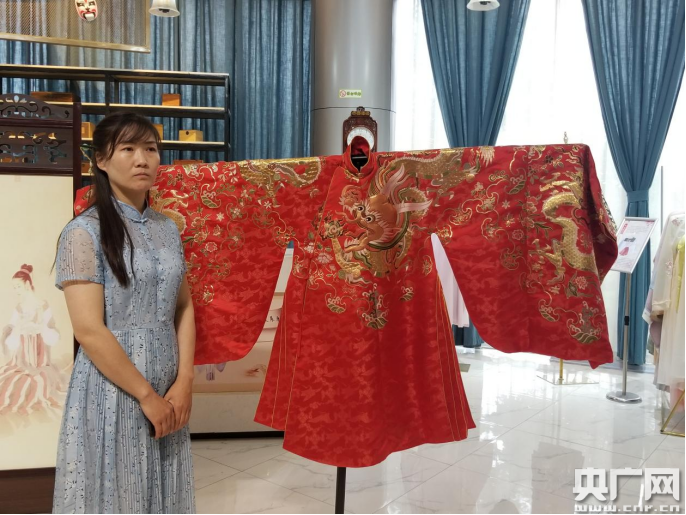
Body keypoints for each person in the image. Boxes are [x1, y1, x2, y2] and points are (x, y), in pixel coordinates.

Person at [52, 112, 196, 513]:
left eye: (150, 149)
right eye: (128, 149)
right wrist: (146, 395)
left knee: (164, 493)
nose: (142, 159)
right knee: (117, 493)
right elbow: (88, 329)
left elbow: (183, 305)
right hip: (113, 386)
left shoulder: (167, 228)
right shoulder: (82, 232)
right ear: (100, 159)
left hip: (168, 382)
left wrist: (185, 380)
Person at [0, 264, 65, 416]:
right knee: (12, 379)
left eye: (18, 286)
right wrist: (15, 328)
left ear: (28, 284)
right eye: (14, 287)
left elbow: (50, 327)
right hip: (23, 351)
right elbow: (12, 326)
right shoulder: (19, 307)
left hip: (39, 351)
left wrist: (39, 326)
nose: (16, 290)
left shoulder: (42, 304)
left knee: (41, 379)